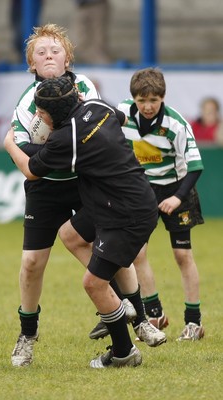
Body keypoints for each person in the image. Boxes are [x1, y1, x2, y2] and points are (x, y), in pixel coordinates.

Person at [4, 75, 165, 368]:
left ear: (55, 114)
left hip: (125, 214)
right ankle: (127, 311)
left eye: (41, 113)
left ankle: (123, 352)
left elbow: (31, 169)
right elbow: (120, 119)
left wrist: (9, 144)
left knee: (93, 284)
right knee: (70, 234)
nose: (37, 117)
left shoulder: (67, 139)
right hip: (126, 199)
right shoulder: (96, 105)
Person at [116, 67, 205, 341]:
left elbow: (195, 167)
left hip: (177, 188)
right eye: (142, 101)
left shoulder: (176, 125)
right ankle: (154, 313)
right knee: (137, 253)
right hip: (142, 191)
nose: (147, 106)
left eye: (153, 100)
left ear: (162, 98)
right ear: (133, 99)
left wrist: (177, 198)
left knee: (182, 256)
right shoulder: (121, 114)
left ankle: (193, 322)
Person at [72, 0, 111, 64]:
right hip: (81, 6)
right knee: (79, 41)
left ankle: (102, 64)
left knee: (98, 43)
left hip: (97, 4)